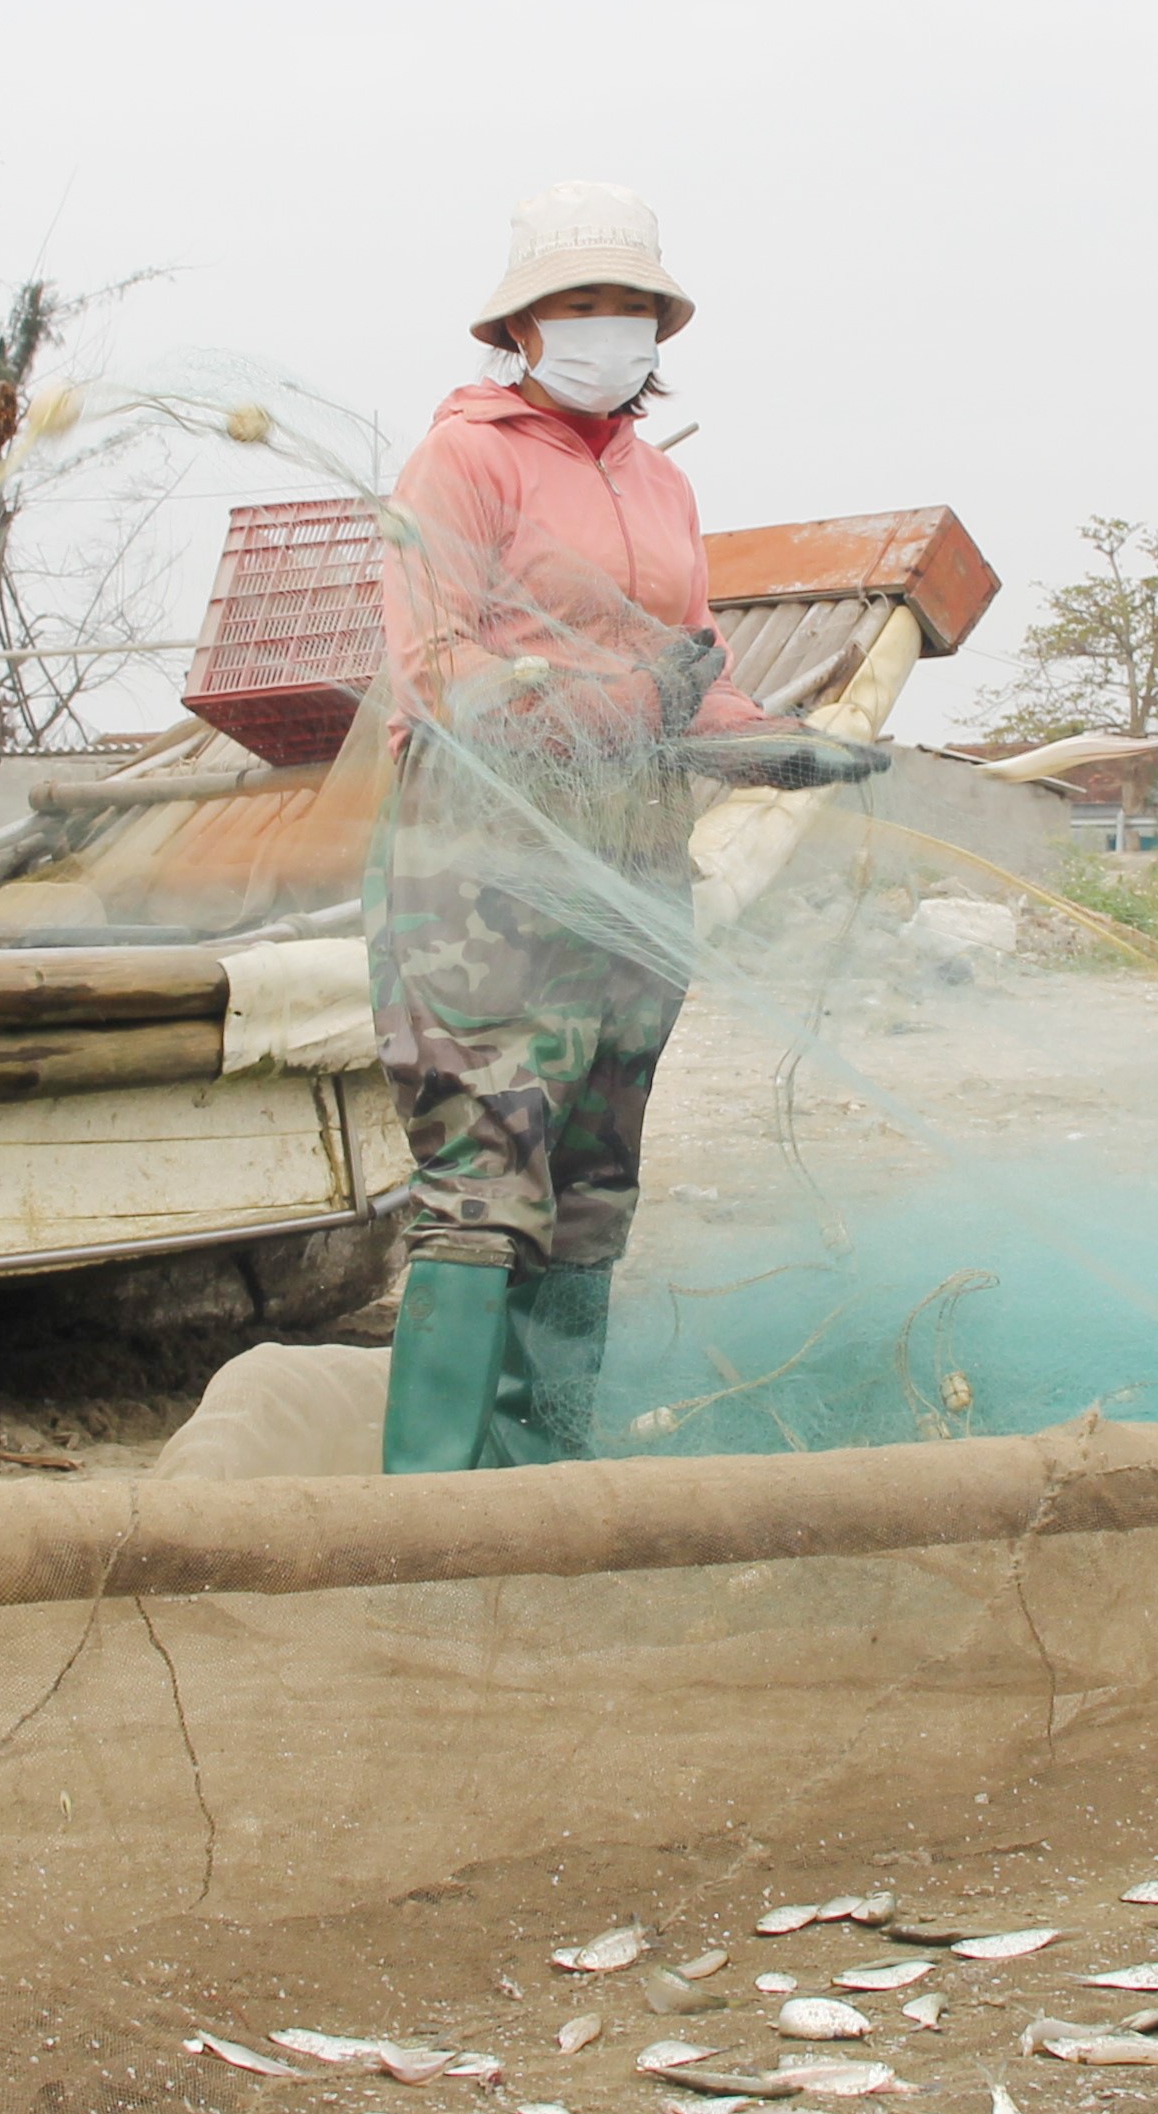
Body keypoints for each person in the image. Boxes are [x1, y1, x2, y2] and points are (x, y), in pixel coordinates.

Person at [366, 183, 885, 1472]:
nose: (606, 329)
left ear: (659, 329)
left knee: (594, 1185)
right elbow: (438, 678)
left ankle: (543, 1489)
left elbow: (688, 676)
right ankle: (426, 1514)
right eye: (577, 306)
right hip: (486, 863)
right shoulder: (463, 460)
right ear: (522, 329)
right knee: (487, 1176)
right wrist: (625, 699)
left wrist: (782, 748)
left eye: (628, 308)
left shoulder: (662, 487)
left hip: (634, 859)